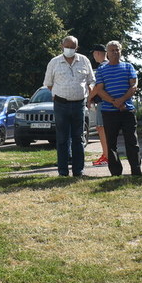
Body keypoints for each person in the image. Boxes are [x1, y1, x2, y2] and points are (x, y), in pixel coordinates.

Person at [41, 35, 96, 177]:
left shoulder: (84, 60)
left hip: (79, 104)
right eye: (67, 46)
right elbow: (48, 83)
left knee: (78, 138)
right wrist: (58, 94)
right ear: (62, 46)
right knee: (62, 139)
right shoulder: (54, 62)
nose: (70, 49)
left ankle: (79, 171)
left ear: (77, 48)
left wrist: (89, 93)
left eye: (73, 47)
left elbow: (91, 80)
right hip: (60, 104)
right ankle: (63, 171)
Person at [90, 40, 141, 176]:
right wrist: (114, 102)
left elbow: (133, 86)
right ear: (107, 52)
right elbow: (99, 90)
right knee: (111, 143)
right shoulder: (101, 69)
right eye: (112, 50)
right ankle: (115, 172)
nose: (115, 52)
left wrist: (122, 101)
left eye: (117, 49)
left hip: (127, 110)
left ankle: (136, 170)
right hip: (109, 111)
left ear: (121, 51)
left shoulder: (128, 66)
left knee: (132, 142)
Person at [89, 44, 110, 167]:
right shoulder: (111, 65)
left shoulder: (102, 67)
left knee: (101, 129)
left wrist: (89, 98)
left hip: (103, 102)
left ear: (97, 53)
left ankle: (107, 156)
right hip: (110, 102)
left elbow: (97, 87)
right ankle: (107, 155)